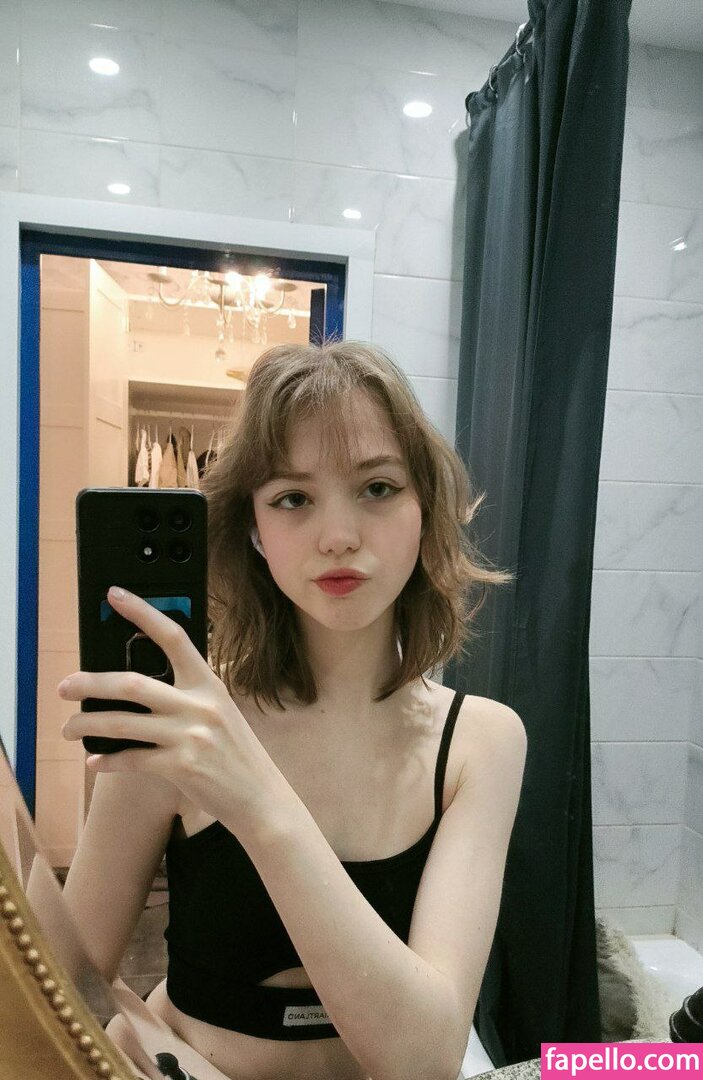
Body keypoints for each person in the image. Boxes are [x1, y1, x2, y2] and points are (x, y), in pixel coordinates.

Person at [59, 340, 527, 1080]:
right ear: (253, 527)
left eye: (377, 488)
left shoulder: (481, 742)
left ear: (424, 510)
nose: (338, 537)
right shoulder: (183, 725)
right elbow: (58, 988)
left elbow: (424, 1059)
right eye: (292, 499)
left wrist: (256, 802)